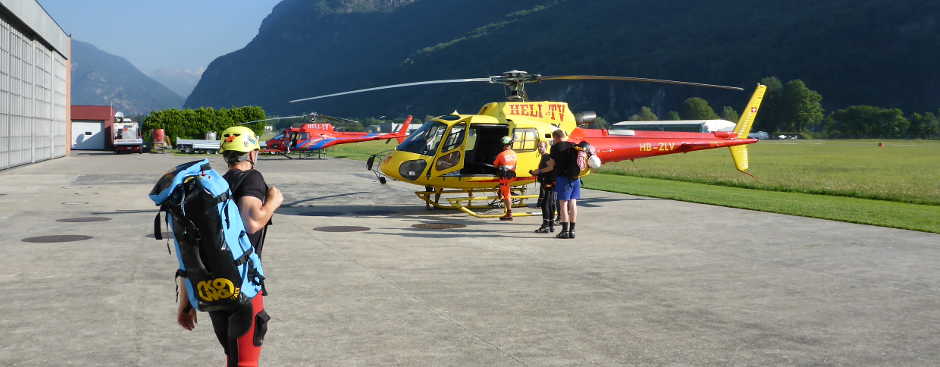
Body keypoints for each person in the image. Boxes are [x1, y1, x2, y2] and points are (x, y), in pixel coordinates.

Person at [176, 126, 284, 367]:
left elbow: (193, 245)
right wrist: (274, 201)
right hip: (243, 287)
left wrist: (187, 300)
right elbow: (252, 221)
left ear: (225, 154)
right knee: (245, 362)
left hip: (213, 289)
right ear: (252, 154)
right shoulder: (252, 177)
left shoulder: (215, 188)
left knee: (234, 358)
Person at [529, 129, 580, 239]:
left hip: (563, 178)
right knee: (573, 203)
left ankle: (564, 231)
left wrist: (538, 172)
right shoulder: (574, 145)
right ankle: (572, 231)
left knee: (563, 204)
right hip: (576, 178)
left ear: (556, 137)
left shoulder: (555, 148)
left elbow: (551, 166)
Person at [531, 141, 557, 233]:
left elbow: (551, 168)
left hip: (549, 182)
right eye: (538, 146)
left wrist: (539, 172)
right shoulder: (544, 156)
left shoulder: (546, 156)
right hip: (549, 182)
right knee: (550, 203)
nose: (539, 148)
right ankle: (550, 225)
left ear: (546, 147)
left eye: (541, 146)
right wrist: (536, 171)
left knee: (545, 203)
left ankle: (546, 225)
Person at [493, 135, 517, 221]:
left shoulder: (501, 154)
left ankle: (509, 213)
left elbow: (495, 165)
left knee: (507, 195)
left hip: (504, 177)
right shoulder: (514, 154)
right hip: (511, 177)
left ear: (503, 145)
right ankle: (500, 190)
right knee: (506, 191)